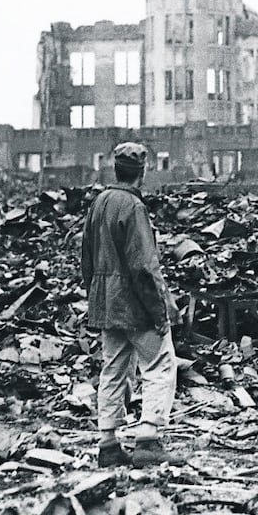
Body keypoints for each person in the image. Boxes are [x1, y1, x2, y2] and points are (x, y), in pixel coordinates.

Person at [80, 142, 185, 468]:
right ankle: (148, 439)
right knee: (159, 365)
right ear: (142, 172)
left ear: (116, 169)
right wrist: (160, 311)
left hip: (107, 304)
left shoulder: (99, 203)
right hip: (135, 304)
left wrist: (96, 295)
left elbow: (86, 256)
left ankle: (108, 443)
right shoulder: (133, 207)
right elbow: (143, 267)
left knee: (113, 368)